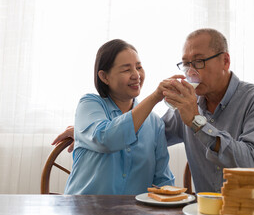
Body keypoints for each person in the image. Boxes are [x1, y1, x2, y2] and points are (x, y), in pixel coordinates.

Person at [53, 29, 254, 203]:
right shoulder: (186, 106)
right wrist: (87, 131)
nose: (191, 71)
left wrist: (197, 121)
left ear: (225, 60)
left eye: (199, 62)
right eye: (186, 64)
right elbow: (139, 132)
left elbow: (252, 163)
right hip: (208, 212)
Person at [61, 39, 174, 195]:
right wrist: (155, 97)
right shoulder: (89, 104)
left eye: (139, 67)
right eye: (126, 70)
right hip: (84, 211)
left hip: (134, 214)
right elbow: (106, 139)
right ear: (104, 77)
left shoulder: (155, 123)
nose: (136, 75)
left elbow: (163, 179)